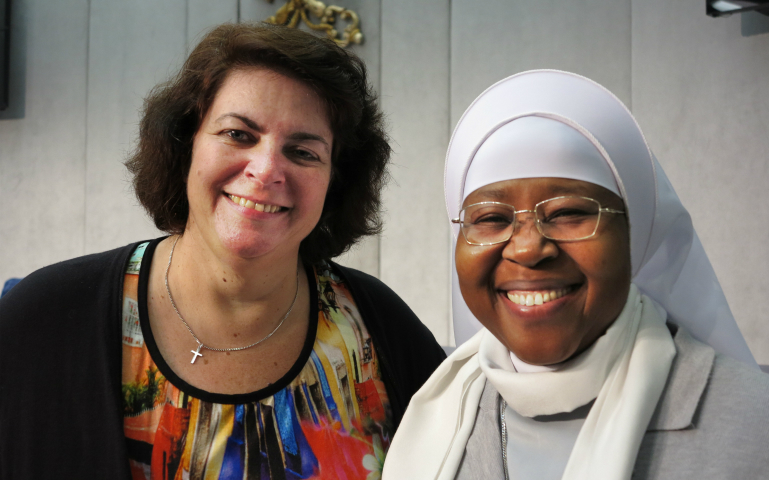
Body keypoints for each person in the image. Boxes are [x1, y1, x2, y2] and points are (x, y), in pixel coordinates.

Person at [0, 23, 445, 479]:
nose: (267, 168)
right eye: (238, 134)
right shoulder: (42, 319)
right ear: (185, 143)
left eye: (303, 152)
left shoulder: (380, 329)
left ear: (336, 182)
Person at [382, 70, 769, 480]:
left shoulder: (751, 421)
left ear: (635, 234)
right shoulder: (438, 411)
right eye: (492, 218)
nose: (528, 248)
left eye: (569, 212)